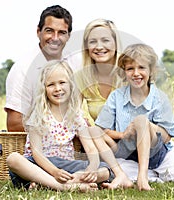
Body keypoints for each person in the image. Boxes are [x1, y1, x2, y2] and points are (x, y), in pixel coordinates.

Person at [6, 60, 113, 192]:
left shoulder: (75, 116)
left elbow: (91, 149)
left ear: (71, 85)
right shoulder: (38, 115)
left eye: (62, 82)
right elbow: (37, 153)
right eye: (51, 84)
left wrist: (92, 167)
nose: (57, 88)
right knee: (13, 159)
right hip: (40, 165)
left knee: (105, 169)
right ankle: (63, 186)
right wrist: (55, 171)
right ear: (44, 88)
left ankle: (51, 184)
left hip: (66, 166)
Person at [91, 43, 174, 191]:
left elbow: (168, 136)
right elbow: (102, 129)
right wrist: (123, 134)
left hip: (154, 153)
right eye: (130, 69)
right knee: (93, 131)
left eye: (142, 68)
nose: (136, 73)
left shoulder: (159, 98)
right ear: (124, 72)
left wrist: (144, 128)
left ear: (151, 71)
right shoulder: (116, 96)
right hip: (126, 153)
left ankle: (142, 178)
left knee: (141, 120)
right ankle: (119, 174)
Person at [5, 5, 75, 132]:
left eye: (62, 32)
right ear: (38, 32)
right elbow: (14, 124)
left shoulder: (73, 64)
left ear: (68, 36)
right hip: (37, 146)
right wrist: (61, 133)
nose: (55, 38)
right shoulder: (23, 69)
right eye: (49, 31)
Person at [74, 18, 124, 126]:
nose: (99, 47)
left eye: (105, 40)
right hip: (98, 138)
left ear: (115, 43)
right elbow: (73, 113)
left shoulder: (129, 74)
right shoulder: (81, 77)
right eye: (92, 42)